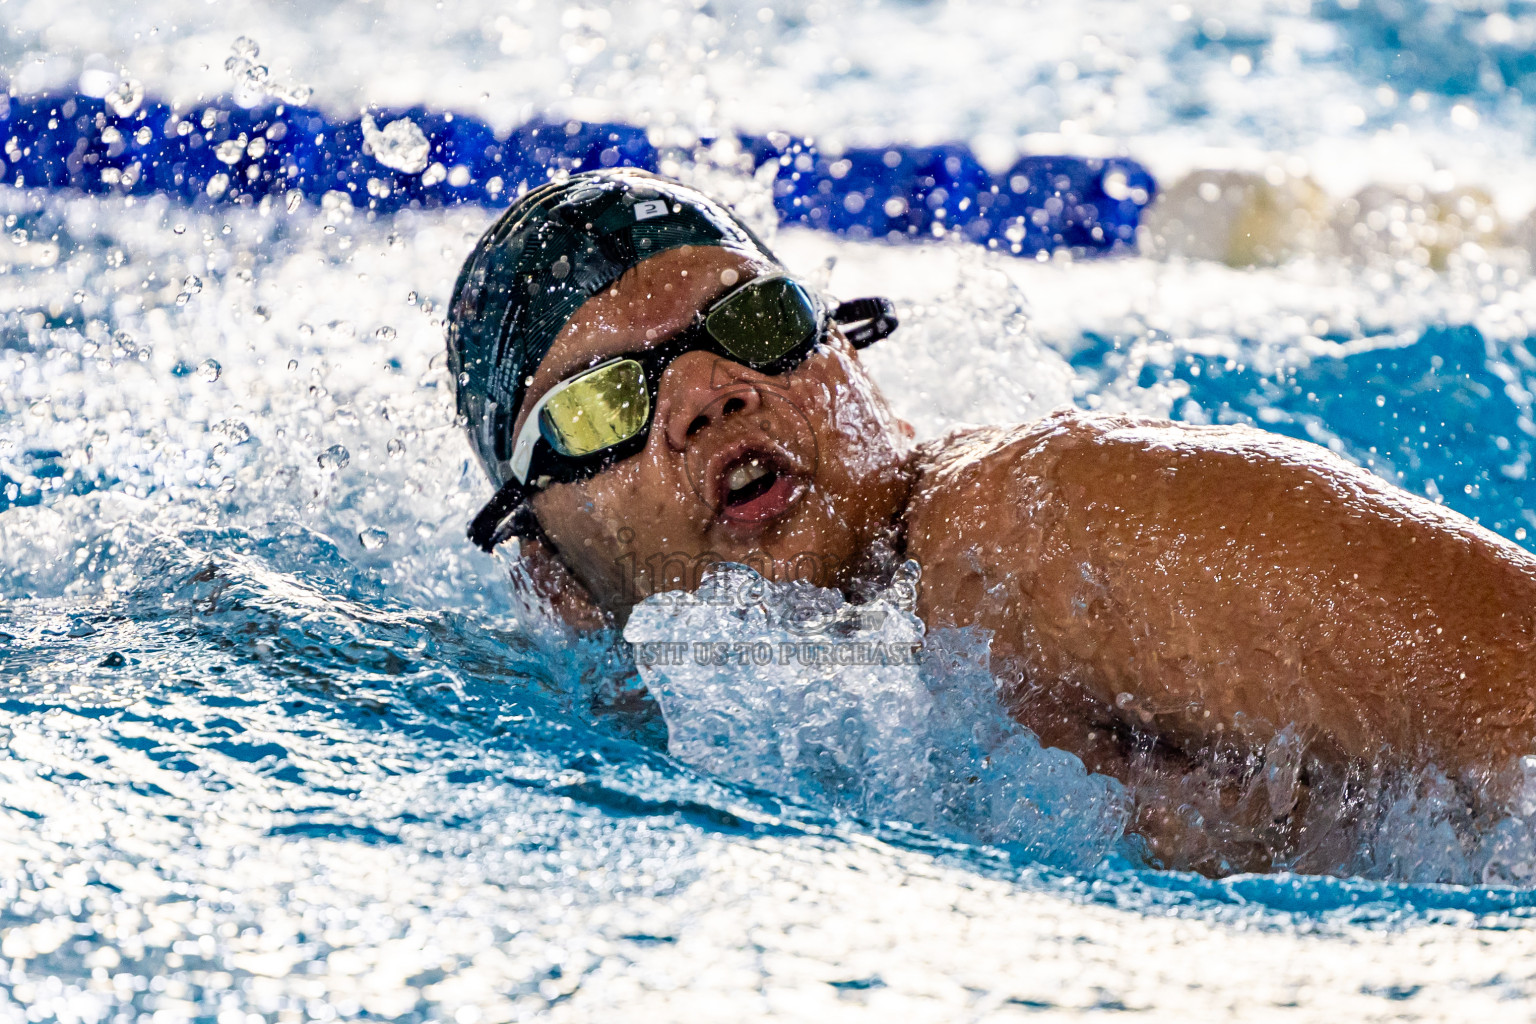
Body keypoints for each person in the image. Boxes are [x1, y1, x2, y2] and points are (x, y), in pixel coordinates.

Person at [446, 168, 1536, 876]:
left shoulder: (1030, 526)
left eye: (755, 317)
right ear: (556, 581)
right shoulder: (673, 721)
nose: (710, 390)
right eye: (603, 404)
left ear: (858, 372)